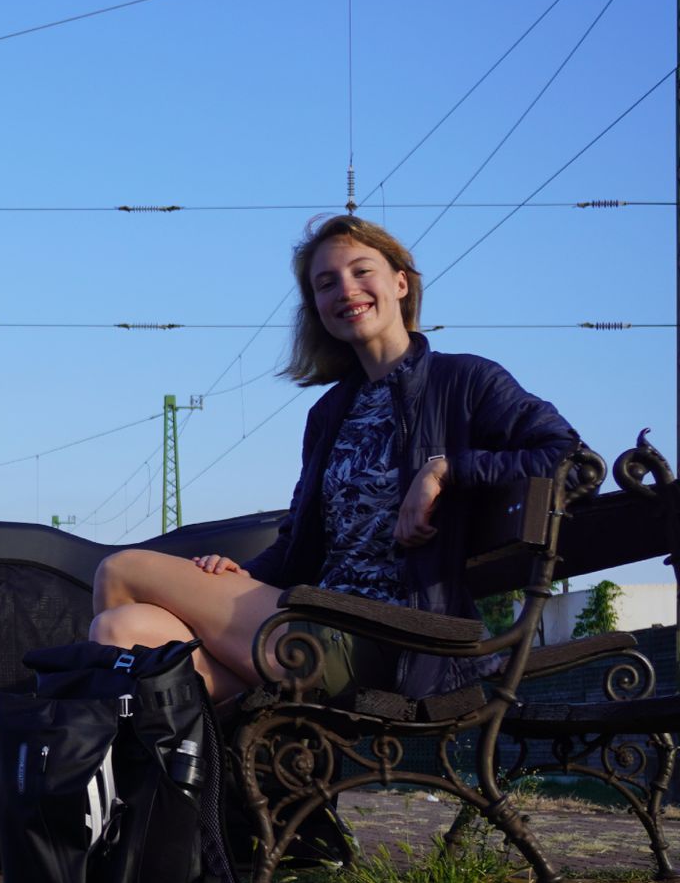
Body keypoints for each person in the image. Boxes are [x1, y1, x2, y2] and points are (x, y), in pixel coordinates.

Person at [88, 214, 578, 706]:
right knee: (123, 628)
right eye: (327, 283)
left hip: (392, 640)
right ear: (317, 308)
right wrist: (241, 573)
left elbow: (569, 458)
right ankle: (195, 778)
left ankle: (131, 762)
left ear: (401, 283)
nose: (346, 289)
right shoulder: (331, 412)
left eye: (362, 271)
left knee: (120, 571)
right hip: (313, 623)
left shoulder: (466, 381)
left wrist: (445, 470)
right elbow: (300, 550)